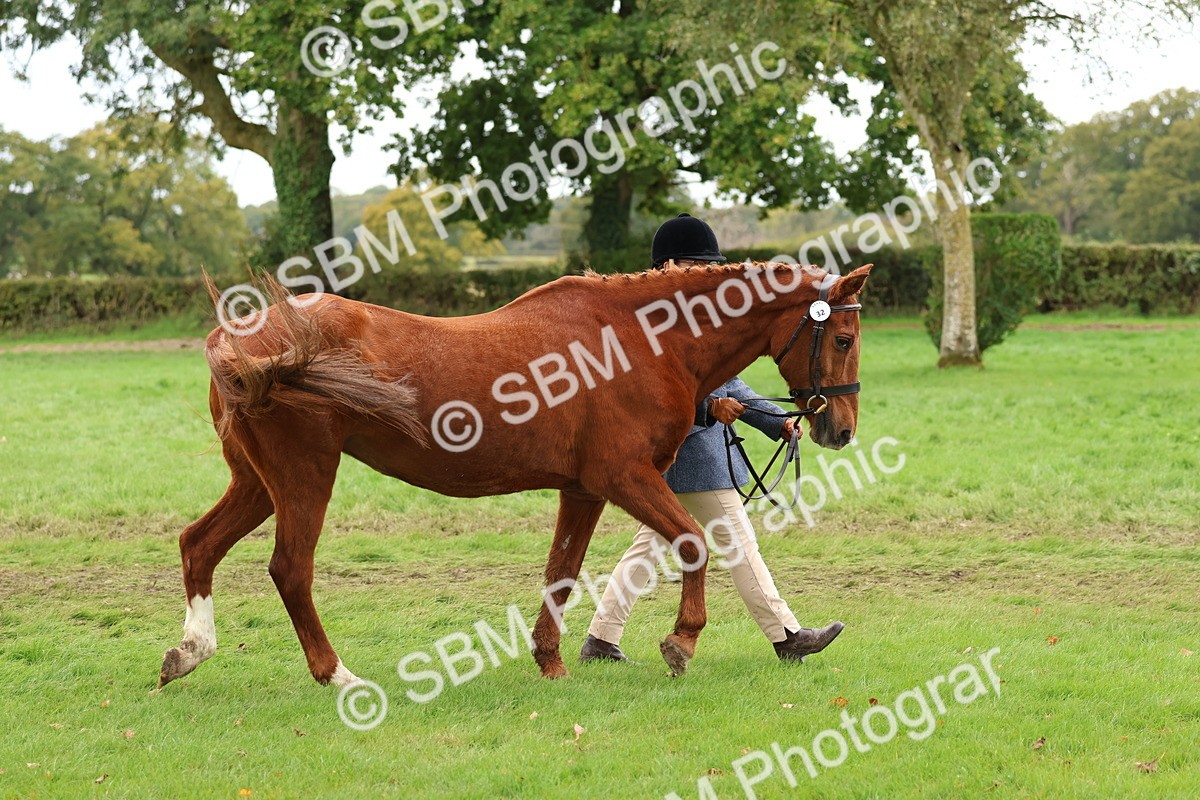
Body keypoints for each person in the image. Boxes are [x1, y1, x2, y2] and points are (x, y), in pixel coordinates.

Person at [580, 213, 844, 664]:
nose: (707, 275)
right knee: (738, 543)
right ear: (667, 266)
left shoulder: (697, 318)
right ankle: (787, 636)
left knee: (648, 546)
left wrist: (776, 420)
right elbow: (651, 394)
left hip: (684, 454)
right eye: (697, 265)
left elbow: (731, 385)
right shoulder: (653, 323)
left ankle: (601, 640)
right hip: (689, 454)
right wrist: (706, 409)